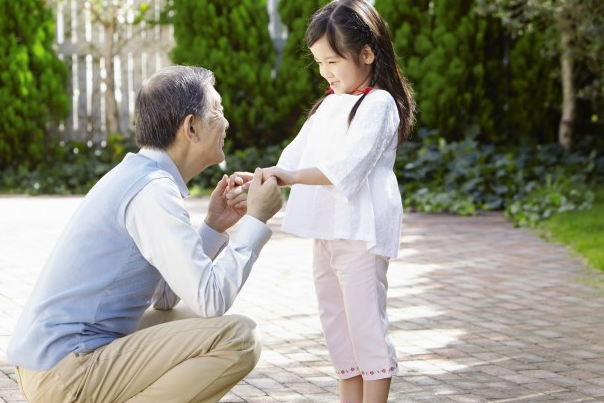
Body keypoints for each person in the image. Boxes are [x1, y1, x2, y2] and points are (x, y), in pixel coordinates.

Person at [7, 65, 283, 403]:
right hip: (67, 372)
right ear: (191, 127)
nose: (225, 122)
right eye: (218, 111)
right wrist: (256, 219)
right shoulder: (152, 191)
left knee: (182, 315)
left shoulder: (141, 176)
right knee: (241, 338)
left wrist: (213, 224)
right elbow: (212, 300)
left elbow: (165, 299)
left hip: (52, 365)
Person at [262, 1, 415, 402]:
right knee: (336, 323)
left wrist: (291, 177)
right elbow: (293, 158)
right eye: (319, 63)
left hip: (361, 234)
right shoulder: (330, 104)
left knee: (365, 325)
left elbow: (348, 166)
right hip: (328, 231)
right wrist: (260, 178)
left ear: (367, 53)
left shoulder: (379, 104)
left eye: (333, 61)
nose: (325, 73)